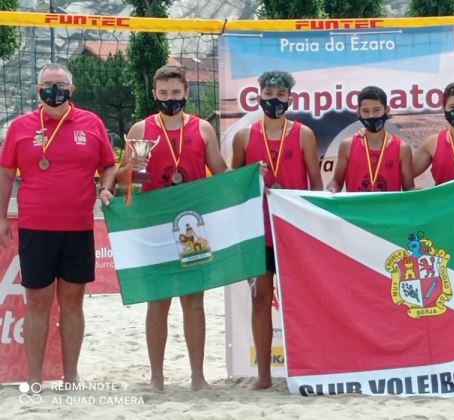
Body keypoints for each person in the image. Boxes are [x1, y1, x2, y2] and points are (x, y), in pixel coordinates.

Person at [0, 63, 116, 386]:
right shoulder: (21, 127)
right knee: (37, 303)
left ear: (71, 90)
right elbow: (6, 173)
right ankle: (34, 377)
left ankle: (71, 375)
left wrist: (106, 187)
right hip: (36, 228)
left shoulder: (91, 123)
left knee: (72, 303)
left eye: (60, 85)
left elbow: (108, 164)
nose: (54, 91)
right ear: (38, 91)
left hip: (78, 227)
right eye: (48, 85)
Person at [115, 65, 228, 391]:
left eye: (175, 93)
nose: (170, 99)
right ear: (154, 94)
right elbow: (127, 181)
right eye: (163, 94)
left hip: (193, 226)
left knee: (194, 300)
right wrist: (135, 168)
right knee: (158, 302)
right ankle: (157, 377)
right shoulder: (142, 129)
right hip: (154, 226)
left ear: (186, 93)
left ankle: (197, 376)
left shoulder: (203, 128)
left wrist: (247, 180)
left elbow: (220, 171)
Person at [231, 70, 323, 389]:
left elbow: (316, 184)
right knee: (260, 301)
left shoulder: (303, 135)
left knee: (298, 301)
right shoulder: (245, 136)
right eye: (269, 94)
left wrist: (313, 229)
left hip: (292, 233)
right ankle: (264, 375)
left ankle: (305, 368)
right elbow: (235, 189)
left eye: (280, 95)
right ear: (259, 97)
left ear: (290, 99)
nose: (274, 100)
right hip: (259, 234)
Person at [327, 86, 414, 192]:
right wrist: (331, 189)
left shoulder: (402, 149)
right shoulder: (347, 146)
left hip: (390, 209)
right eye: (365, 111)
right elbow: (337, 181)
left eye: (376, 110)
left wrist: (422, 195)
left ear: (386, 110)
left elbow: (409, 189)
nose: (371, 116)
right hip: (356, 208)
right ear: (358, 112)